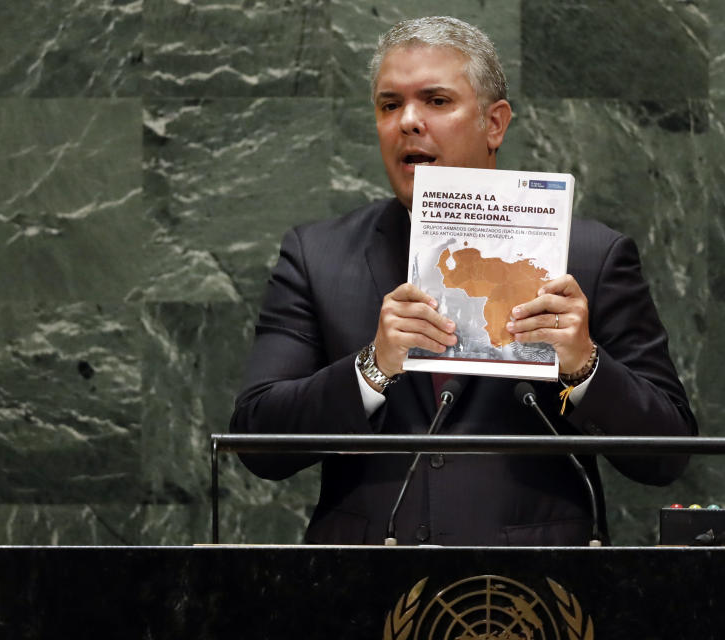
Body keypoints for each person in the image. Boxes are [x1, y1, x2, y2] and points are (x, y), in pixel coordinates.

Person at [230, 16, 698, 546]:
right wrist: (371, 368)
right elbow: (256, 441)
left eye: (435, 101)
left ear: (495, 124)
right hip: (362, 589)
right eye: (389, 105)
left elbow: (669, 453)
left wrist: (586, 366)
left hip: (536, 592)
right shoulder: (317, 256)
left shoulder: (590, 256)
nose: (408, 121)